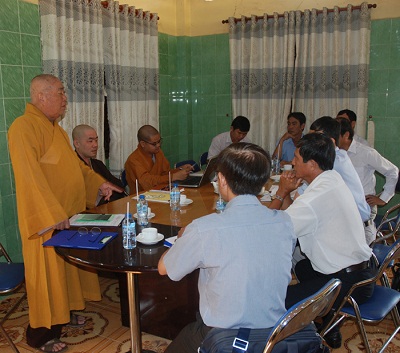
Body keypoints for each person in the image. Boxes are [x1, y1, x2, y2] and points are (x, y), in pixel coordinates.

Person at [8, 74, 123, 353]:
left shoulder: (56, 129)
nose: (65, 98)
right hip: (46, 223)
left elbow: (76, 168)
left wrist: (99, 182)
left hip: (68, 217)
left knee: (67, 274)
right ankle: (40, 335)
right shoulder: (23, 127)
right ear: (41, 96)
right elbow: (29, 176)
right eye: (60, 93)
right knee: (46, 279)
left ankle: (64, 315)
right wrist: (51, 212)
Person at [158, 143, 296, 353]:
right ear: (263, 181)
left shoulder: (204, 229)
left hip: (223, 337)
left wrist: (183, 237)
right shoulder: (285, 222)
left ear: (221, 180)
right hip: (273, 334)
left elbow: (164, 268)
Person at [270, 133, 375, 349]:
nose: (292, 162)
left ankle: (312, 337)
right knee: (302, 267)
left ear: (312, 164)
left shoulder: (314, 198)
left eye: (297, 159)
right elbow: (295, 215)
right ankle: (330, 324)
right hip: (363, 272)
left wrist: (280, 192)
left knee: (277, 304)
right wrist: (288, 193)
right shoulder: (332, 178)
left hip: (349, 285)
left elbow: (274, 231)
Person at [337, 117, 399, 244]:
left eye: (334, 135)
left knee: (361, 246)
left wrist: (383, 198)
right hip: (343, 205)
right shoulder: (335, 153)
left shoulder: (365, 152)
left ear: (346, 135)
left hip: (364, 206)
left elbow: (392, 171)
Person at [125, 125, 192, 193]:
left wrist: (179, 170)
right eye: (154, 144)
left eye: (159, 141)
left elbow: (164, 173)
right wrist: (172, 177)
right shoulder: (133, 160)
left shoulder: (158, 152)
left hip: (161, 192)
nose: (158, 145)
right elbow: (146, 183)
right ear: (143, 144)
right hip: (141, 198)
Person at [72, 124, 126, 204]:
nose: (95, 145)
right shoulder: (72, 167)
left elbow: (119, 187)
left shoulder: (98, 164)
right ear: (77, 144)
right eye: (90, 141)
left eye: (96, 140)